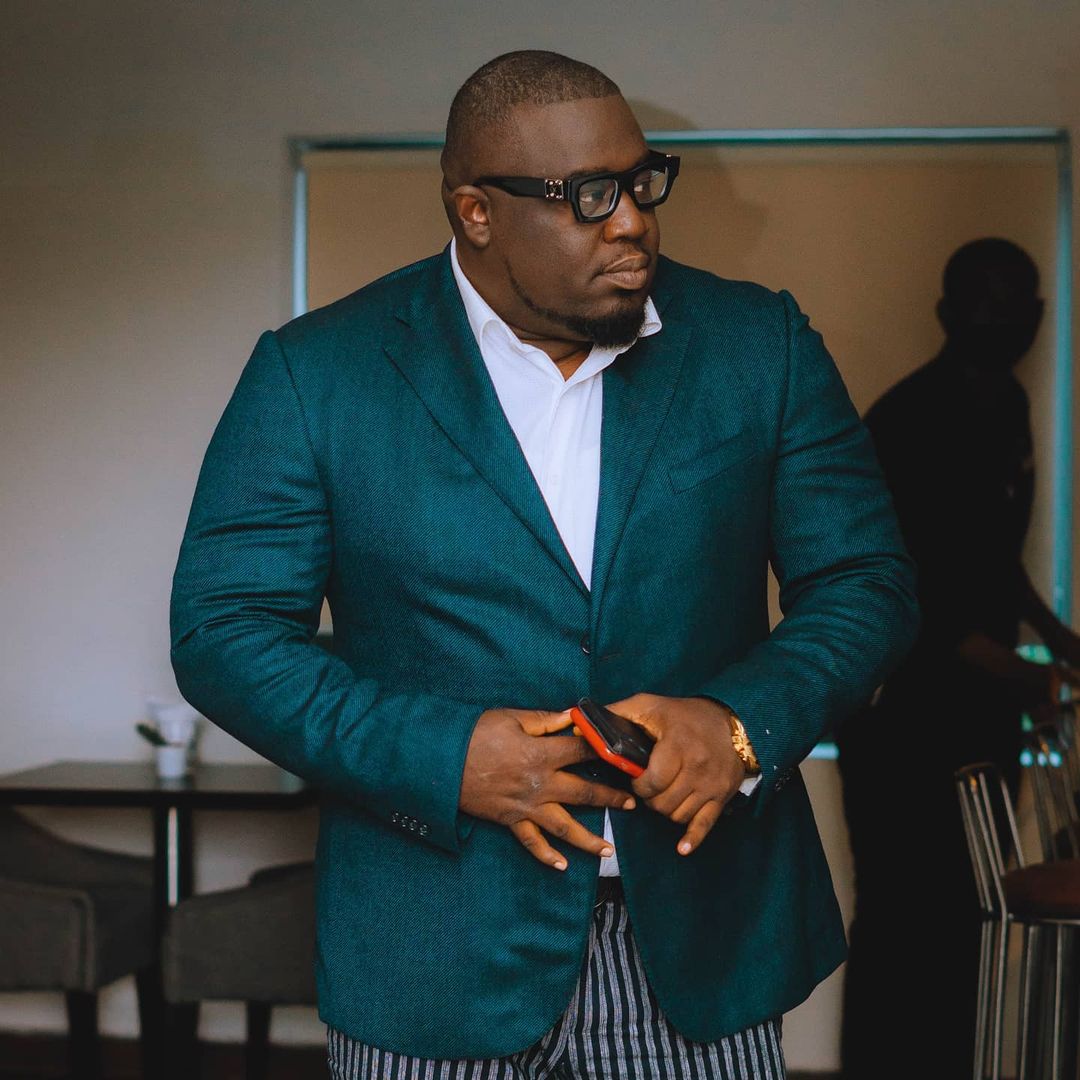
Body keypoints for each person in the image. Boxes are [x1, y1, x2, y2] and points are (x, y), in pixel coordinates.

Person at [172, 50, 917, 1080]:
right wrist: (447, 758)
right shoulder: (317, 375)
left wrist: (741, 725)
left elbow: (866, 583)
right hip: (432, 950)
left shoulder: (760, 345)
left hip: (700, 943)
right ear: (476, 211)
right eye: (589, 196)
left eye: (642, 182)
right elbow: (225, 633)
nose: (632, 221)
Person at [837, 237, 1080, 1080]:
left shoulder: (1006, 403)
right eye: (983, 300)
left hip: (982, 711)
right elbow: (916, 597)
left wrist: (1054, 640)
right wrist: (1033, 673)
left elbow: (995, 559)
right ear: (946, 311)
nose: (1000, 318)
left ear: (1039, 317)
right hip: (902, 716)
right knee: (904, 916)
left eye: (1016, 303)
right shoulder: (911, 420)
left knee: (973, 913)